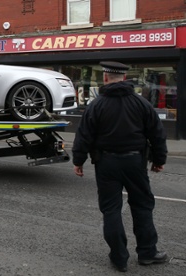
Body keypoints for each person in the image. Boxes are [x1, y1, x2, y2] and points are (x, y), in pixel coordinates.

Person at [72, 61, 168, 272]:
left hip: (106, 163)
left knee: (111, 209)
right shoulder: (141, 103)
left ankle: (119, 258)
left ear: (105, 78)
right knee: (142, 206)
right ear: (124, 78)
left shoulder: (96, 105)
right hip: (135, 162)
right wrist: (159, 159)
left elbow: (84, 135)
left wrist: (78, 161)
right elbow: (157, 133)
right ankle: (147, 253)